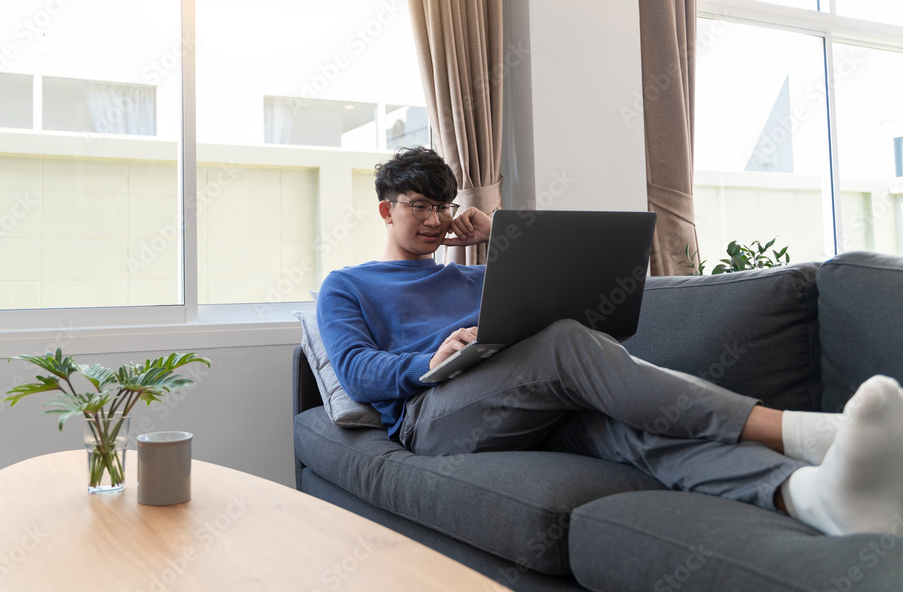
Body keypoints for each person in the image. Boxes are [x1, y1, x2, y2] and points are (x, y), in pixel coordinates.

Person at [316, 146, 903, 537]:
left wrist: (501, 235)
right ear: (386, 209)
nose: (435, 219)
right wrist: (431, 358)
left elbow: (550, 295)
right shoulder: (348, 285)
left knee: (632, 429)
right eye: (419, 206)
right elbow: (358, 371)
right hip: (432, 416)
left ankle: (809, 495)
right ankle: (803, 431)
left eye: (443, 206)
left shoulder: (475, 275)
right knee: (565, 343)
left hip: (521, 400)